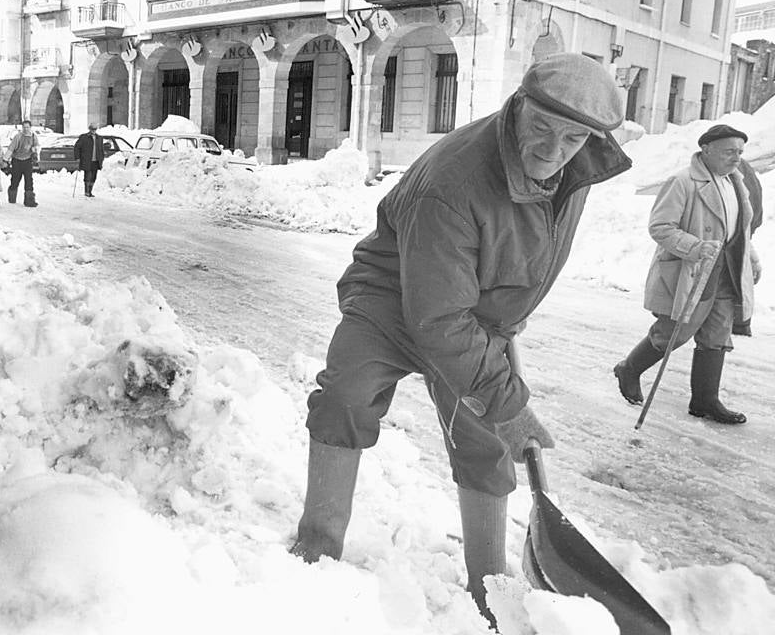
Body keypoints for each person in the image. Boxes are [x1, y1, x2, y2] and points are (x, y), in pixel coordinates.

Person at [289, 53, 631, 626]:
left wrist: (507, 314)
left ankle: (488, 586)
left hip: (469, 312)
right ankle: (316, 550)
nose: (553, 150)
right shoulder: (454, 182)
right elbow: (437, 319)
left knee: (485, 442)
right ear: (518, 107)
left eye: (572, 138)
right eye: (542, 129)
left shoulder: (579, 165)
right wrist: (509, 402)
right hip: (392, 301)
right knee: (345, 399)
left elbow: (524, 243)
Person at [613, 124, 760, 424]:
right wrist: (695, 247)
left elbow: (740, 228)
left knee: (717, 335)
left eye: (740, 152)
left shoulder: (736, 181)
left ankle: (705, 400)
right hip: (694, 270)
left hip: (727, 270)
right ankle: (629, 368)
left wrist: (751, 258)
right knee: (674, 332)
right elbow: (660, 227)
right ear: (707, 150)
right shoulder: (683, 182)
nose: (737, 158)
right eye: (730, 151)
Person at [732, 158, 763, 335]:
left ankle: (739, 323)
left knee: (731, 279)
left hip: (733, 234)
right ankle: (741, 323)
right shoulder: (746, 170)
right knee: (741, 276)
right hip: (743, 233)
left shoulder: (732, 174)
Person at [5, 120, 40, 207]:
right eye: (24, 127)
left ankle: (29, 201)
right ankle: (12, 197)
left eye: (27, 127)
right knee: (15, 180)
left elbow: (37, 146)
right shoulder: (18, 137)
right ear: (22, 128)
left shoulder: (33, 137)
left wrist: (35, 153)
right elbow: (11, 148)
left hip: (27, 160)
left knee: (29, 180)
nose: (26, 129)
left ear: (30, 127)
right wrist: (5, 159)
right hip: (17, 160)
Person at [74, 123, 104, 197]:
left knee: (94, 176)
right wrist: (77, 157)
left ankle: (90, 191)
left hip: (96, 161)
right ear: (89, 129)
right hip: (87, 160)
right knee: (88, 176)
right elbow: (77, 147)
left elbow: (101, 149)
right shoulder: (84, 137)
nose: (93, 131)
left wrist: (102, 158)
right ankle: (87, 191)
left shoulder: (99, 138)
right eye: (92, 129)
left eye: (95, 129)